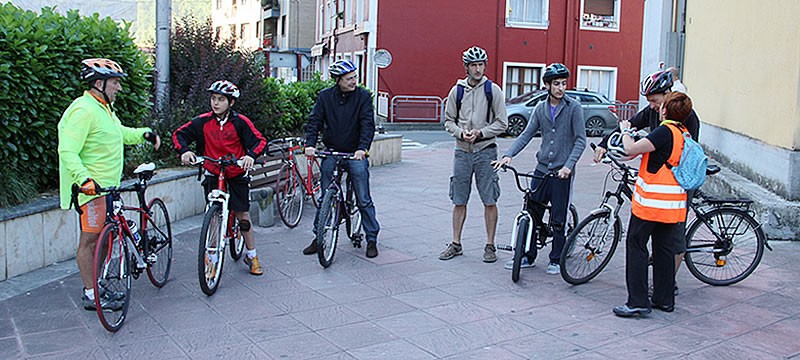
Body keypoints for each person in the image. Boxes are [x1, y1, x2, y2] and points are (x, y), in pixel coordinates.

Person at [58, 58, 161, 310]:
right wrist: (84, 180)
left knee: (104, 241)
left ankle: (97, 284)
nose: (119, 88)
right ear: (98, 83)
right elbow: (67, 150)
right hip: (91, 191)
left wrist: (143, 134)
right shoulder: (83, 110)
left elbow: (120, 134)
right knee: (90, 241)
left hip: (108, 189)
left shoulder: (103, 109)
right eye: (115, 82)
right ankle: (91, 294)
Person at [594, 70, 701, 294]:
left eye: (655, 101)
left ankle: (668, 283)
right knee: (660, 240)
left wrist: (637, 143)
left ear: (667, 97)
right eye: (649, 101)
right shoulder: (656, 114)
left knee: (672, 238)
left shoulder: (683, 120)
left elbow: (679, 153)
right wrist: (605, 143)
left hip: (676, 187)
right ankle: (663, 293)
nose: (651, 106)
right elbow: (632, 123)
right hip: (662, 184)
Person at [493, 63, 586, 274]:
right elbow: (526, 135)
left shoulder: (574, 107)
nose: (561, 88)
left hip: (562, 172)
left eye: (563, 83)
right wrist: (508, 155)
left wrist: (569, 166)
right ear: (547, 85)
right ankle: (527, 256)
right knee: (531, 211)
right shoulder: (540, 108)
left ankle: (556, 259)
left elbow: (580, 141)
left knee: (558, 218)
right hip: (542, 170)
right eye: (556, 84)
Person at [173, 80, 268, 276]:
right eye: (213, 99)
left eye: (221, 100)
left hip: (236, 172)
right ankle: (212, 259)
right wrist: (184, 151)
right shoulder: (202, 121)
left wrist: (250, 156)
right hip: (213, 172)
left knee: (243, 215)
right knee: (213, 218)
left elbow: (260, 141)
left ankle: (252, 255)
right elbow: (179, 134)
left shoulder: (240, 122)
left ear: (231, 103)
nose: (216, 103)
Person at [612, 91, 694, 317]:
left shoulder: (664, 131)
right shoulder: (683, 132)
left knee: (636, 245)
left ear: (666, 110)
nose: (657, 108)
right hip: (673, 205)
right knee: (664, 250)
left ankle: (637, 301)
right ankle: (664, 299)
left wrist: (626, 130)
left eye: (661, 105)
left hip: (651, 203)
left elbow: (630, 149)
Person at [301, 60, 380, 258]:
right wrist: (310, 144)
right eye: (349, 78)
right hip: (333, 151)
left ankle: (371, 238)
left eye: (355, 77)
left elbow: (367, 125)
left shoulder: (362, 97)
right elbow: (314, 122)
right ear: (338, 80)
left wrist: (362, 149)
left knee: (363, 198)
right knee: (325, 196)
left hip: (355, 152)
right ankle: (319, 236)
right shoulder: (325, 97)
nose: (354, 81)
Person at [440, 46, 508, 263]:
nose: (477, 69)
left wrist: (481, 133)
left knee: (490, 199)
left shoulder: (493, 90)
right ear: (466, 67)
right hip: (462, 151)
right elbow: (448, 120)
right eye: (473, 65)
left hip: (486, 151)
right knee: (459, 199)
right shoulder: (456, 91)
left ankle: (490, 245)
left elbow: (502, 123)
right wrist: (460, 132)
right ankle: (456, 243)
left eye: (480, 65)